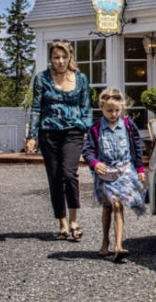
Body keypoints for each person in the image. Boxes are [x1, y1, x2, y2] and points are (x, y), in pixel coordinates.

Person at [25, 41, 93, 241]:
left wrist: (89, 133)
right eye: (56, 57)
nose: (60, 61)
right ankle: (62, 224)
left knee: (69, 174)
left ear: (70, 57)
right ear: (51, 59)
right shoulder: (42, 79)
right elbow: (36, 108)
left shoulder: (80, 79)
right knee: (55, 177)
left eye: (64, 57)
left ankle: (74, 220)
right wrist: (31, 136)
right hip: (49, 133)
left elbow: (86, 107)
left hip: (73, 132)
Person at [81, 88, 148, 263]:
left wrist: (140, 169)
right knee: (107, 207)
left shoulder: (127, 125)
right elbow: (87, 151)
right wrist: (95, 164)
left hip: (124, 171)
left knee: (118, 206)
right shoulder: (96, 128)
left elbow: (138, 147)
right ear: (102, 109)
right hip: (105, 173)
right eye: (109, 110)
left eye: (117, 110)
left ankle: (118, 246)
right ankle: (105, 241)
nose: (113, 114)